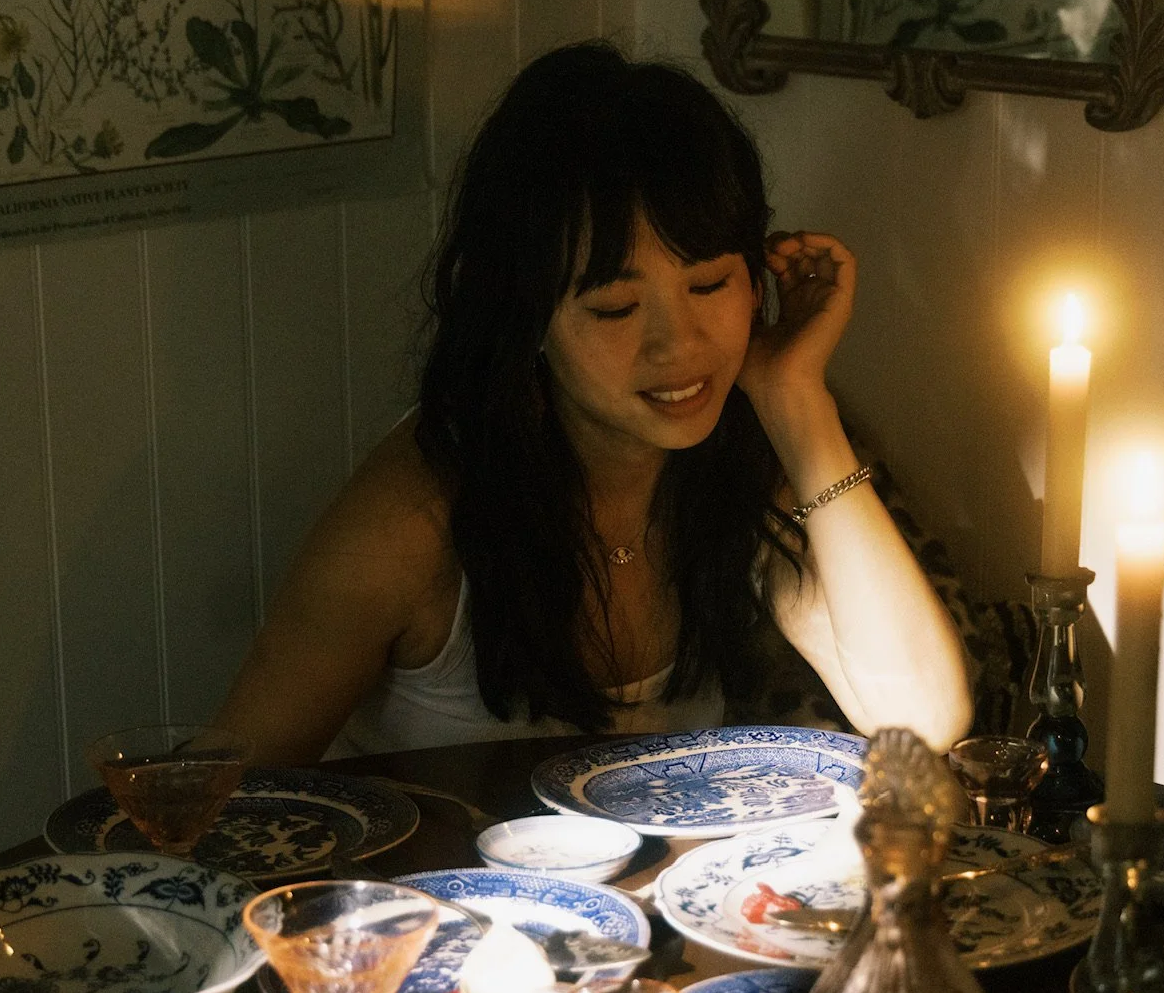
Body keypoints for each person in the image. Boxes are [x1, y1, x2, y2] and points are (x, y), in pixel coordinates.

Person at [216, 41, 969, 763]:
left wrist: (793, 395)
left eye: (709, 285)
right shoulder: (412, 521)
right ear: (527, 315)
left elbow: (923, 717)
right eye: (614, 307)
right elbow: (222, 800)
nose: (680, 347)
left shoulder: (739, 451)